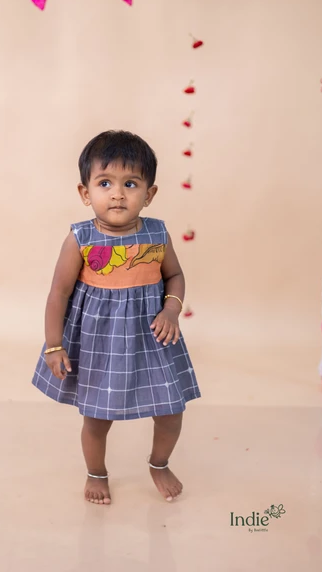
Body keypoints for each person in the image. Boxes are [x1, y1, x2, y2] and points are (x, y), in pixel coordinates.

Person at [32, 130, 201, 505]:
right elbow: (58, 293)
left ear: (149, 194)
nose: (118, 194)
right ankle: (96, 473)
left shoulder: (157, 233)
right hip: (100, 341)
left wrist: (171, 309)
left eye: (131, 184)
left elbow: (174, 275)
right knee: (97, 417)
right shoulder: (81, 238)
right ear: (85, 192)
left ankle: (159, 463)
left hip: (151, 337)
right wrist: (54, 345)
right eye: (105, 183)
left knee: (172, 410)